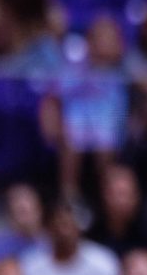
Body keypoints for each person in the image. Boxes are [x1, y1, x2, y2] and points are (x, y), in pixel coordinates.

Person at [54, 15, 129, 200]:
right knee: (72, 140)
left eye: (110, 39)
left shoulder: (121, 72)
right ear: (89, 40)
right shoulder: (75, 68)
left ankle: (107, 196)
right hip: (77, 123)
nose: (105, 44)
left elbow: (122, 109)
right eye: (100, 38)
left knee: (105, 144)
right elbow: (58, 93)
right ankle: (68, 195)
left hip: (107, 125)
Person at [87, 164, 147, 257]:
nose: (122, 202)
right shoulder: (90, 237)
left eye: (128, 195)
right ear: (103, 195)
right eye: (118, 194)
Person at [0, 186, 43, 271]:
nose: (26, 218)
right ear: (10, 215)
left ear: (39, 211)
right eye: (21, 211)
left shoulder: (49, 243)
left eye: (28, 210)